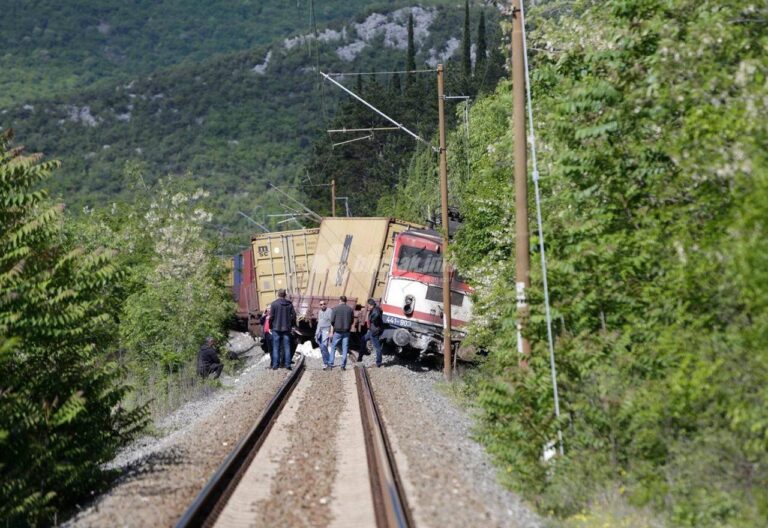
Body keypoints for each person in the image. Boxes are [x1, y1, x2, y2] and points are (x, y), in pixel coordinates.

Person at [270, 289, 296, 370]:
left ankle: (275, 365)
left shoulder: (274, 304)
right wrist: (291, 324)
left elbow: (271, 317)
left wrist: (271, 326)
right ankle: (287, 364)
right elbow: (294, 316)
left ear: (278, 294)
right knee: (287, 347)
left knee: (276, 347)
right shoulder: (289, 304)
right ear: (285, 295)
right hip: (286, 329)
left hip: (276, 328)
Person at [330, 295, 354, 370]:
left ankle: (331, 364)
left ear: (340, 300)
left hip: (337, 332)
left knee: (333, 347)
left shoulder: (335, 309)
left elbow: (332, 321)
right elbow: (352, 321)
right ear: (346, 301)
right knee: (345, 348)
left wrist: (334, 328)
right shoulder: (350, 309)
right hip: (346, 332)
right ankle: (343, 366)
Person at [360, 298, 384, 367]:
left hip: (374, 331)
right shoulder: (374, 309)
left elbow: (376, 316)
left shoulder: (375, 311)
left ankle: (378, 363)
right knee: (363, 339)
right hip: (372, 330)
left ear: (372, 305)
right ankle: (364, 352)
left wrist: (373, 321)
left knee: (377, 347)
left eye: (368, 306)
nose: (367, 307)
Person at [315, 300, 333, 370]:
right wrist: (316, 333)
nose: (322, 305)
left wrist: (331, 332)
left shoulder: (329, 311)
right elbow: (319, 323)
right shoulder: (319, 312)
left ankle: (329, 362)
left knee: (324, 346)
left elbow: (332, 323)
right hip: (320, 331)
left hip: (326, 330)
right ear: (319, 305)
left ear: (326, 304)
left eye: (324, 304)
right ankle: (325, 363)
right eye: (321, 304)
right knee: (321, 348)